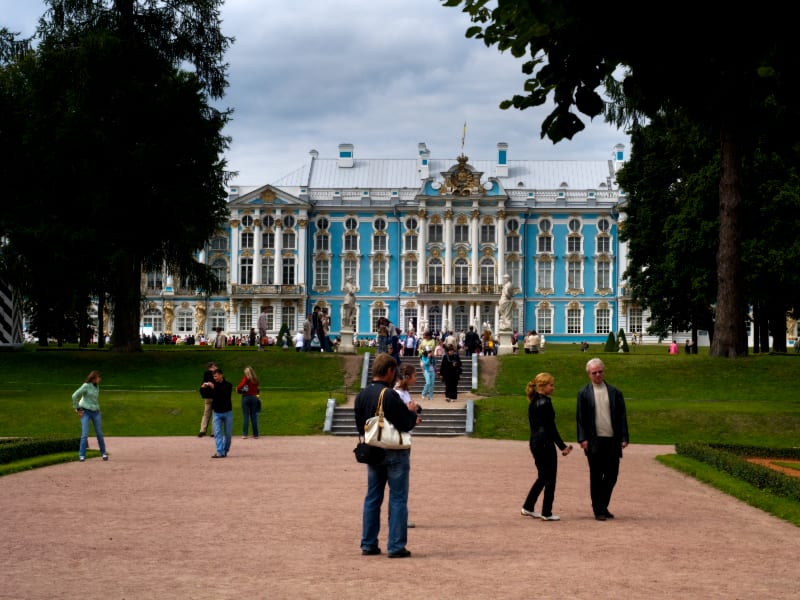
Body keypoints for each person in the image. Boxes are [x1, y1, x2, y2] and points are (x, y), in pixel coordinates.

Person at [354, 353, 419, 558]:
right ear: (390, 371)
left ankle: (368, 542)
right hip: (394, 452)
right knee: (398, 498)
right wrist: (412, 411)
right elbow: (405, 423)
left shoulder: (361, 395)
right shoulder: (389, 395)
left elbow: (360, 425)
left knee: (372, 497)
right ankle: (396, 545)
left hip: (372, 450)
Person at [576, 358, 629, 521]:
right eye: (594, 373)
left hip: (612, 440)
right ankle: (598, 509)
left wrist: (624, 437)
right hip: (593, 440)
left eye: (600, 371)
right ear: (589, 374)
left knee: (612, 475)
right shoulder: (583, 393)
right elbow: (580, 418)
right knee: (596, 475)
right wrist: (582, 438)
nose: (598, 375)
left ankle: (603, 505)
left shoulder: (615, 392)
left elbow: (622, 416)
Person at [521, 372, 573, 521]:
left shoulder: (533, 400)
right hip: (545, 443)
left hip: (535, 443)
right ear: (543, 386)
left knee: (543, 477)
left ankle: (529, 506)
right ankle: (546, 512)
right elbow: (551, 427)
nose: (553, 388)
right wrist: (562, 446)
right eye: (551, 385)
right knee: (550, 478)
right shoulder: (545, 402)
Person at [394, 363, 422, 529]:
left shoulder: (404, 392)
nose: (416, 378)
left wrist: (413, 414)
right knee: (400, 484)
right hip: (400, 441)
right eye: (415, 376)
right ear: (407, 377)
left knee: (401, 485)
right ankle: (399, 519)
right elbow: (399, 415)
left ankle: (400, 516)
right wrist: (410, 412)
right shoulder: (397, 393)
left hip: (406, 438)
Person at [71, 370, 108, 462]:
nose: (100, 379)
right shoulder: (86, 386)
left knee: (99, 433)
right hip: (85, 412)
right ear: (94, 378)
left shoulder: (96, 386)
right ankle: (82, 455)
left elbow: (94, 400)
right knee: (85, 434)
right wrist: (78, 409)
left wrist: (97, 408)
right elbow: (74, 395)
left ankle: (103, 453)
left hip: (95, 412)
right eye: (99, 377)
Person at [204, 367, 233, 458]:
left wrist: (214, 389)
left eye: (216, 376)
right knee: (217, 433)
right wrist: (203, 388)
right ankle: (220, 452)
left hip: (227, 412)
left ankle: (225, 450)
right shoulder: (213, 385)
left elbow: (224, 396)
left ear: (221, 375)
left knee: (228, 435)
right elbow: (205, 395)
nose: (214, 378)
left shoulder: (228, 385)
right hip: (217, 413)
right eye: (213, 377)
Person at [236, 366, 260, 439]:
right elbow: (257, 389)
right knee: (254, 416)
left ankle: (245, 434)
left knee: (246, 416)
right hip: (254, 398)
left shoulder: (246, 378)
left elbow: (241, 386)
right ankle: (256, 434)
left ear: (247, 373)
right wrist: (257, 397)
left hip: (246, 398)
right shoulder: (256, 379)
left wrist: (237, 389)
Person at [198, 361, 216, 437]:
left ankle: (202, 430)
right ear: (211, 367)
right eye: (214, 366)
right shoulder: (215, 374)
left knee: (206, 414)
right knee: (215, 415)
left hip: (207, 396)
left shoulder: (205, 374)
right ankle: (213, 432)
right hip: (215, 396)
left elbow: (202, 383)